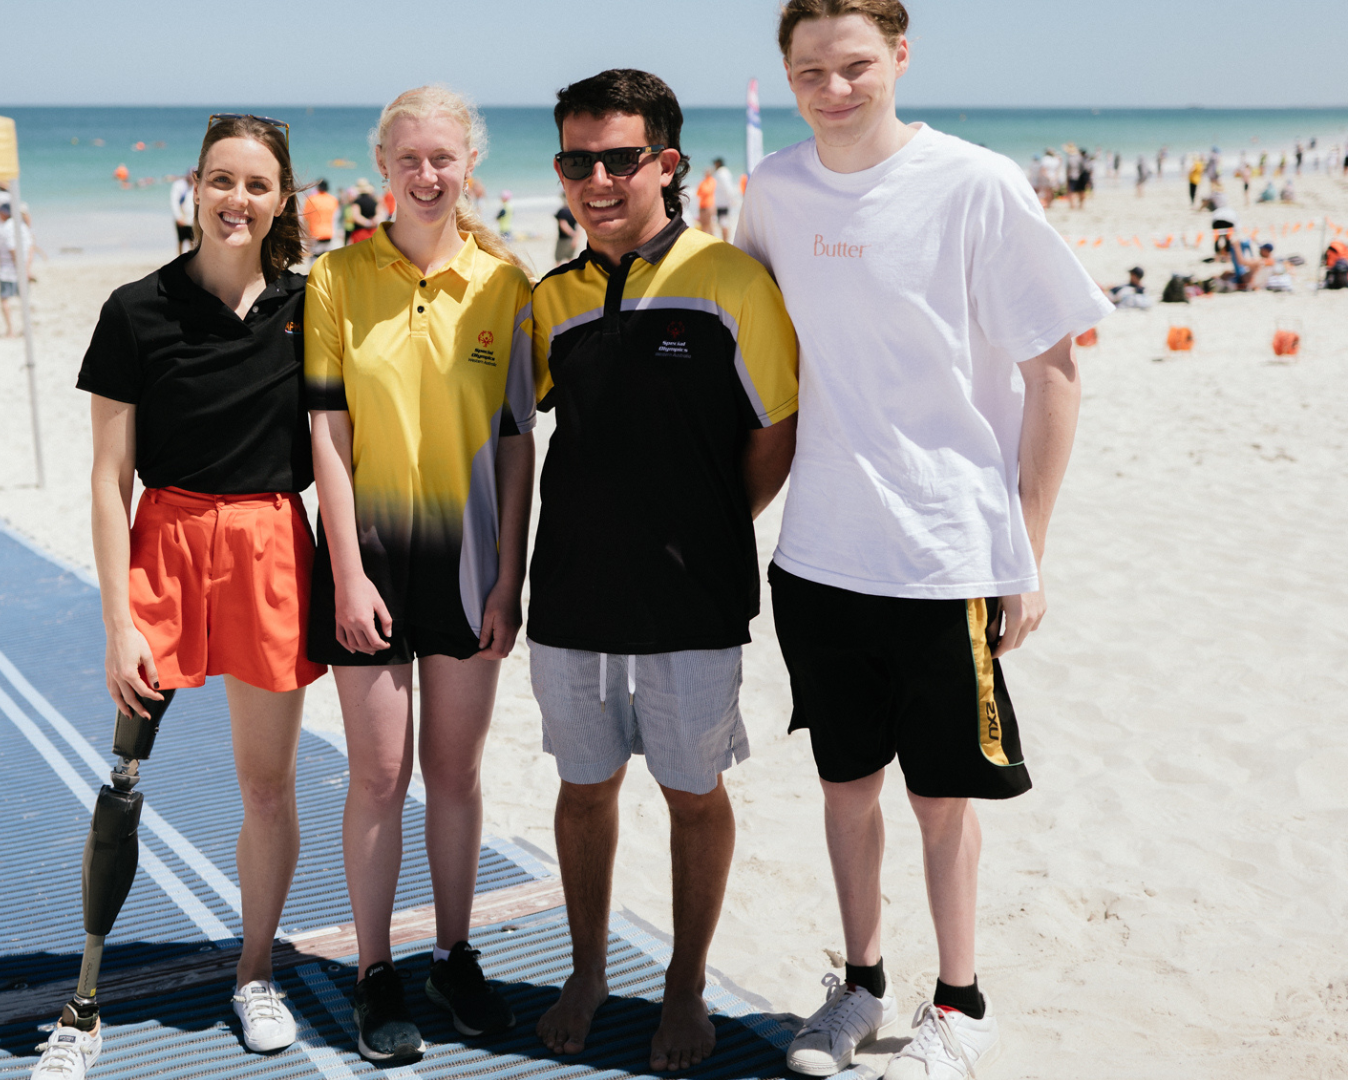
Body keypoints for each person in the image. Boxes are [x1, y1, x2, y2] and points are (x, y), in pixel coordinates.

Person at [738, 4, 1112, 1078]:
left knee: (938, 802)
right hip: (816, 557)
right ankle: (856, 987)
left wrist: (1023, 550)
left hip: (945, 553)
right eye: (809, 70)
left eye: (853, 65)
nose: (832, 88)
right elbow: (753, 362)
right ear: (786, 74)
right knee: (843, 789)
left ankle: (958, 1005)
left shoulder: (975, 183)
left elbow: (1053, 373)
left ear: (899, 57)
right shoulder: (772, 192)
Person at [35, 114, 326, 1078]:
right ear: (194, 187)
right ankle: (83, 1001)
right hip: (163, 547)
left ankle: (254, 974)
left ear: (281, 199)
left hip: (272, 549)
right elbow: (106, 478)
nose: (238, 200)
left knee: (266, 786)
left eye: (257, 184)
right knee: (123, 781)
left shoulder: (311, 307)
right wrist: (117, 622)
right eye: (223, 181)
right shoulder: (134, 310)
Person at [525, 68, 799, 1075]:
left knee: (692, 794)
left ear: (665, 164)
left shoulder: (728, 281)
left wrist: (710, 522)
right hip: (567, 596)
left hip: (691, 598)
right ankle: (589, 970)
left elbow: (776, 428)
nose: (596, 179)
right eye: (575, 160)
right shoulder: (547, 300)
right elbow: (513, 432)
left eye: (618, 158)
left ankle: (683, 986)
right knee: (583, 787)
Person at [304, 84, 534, 1065]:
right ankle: (373, 973)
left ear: (466, 164)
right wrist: (345, 572)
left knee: (453, 771)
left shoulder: (506, 283)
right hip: (368, 558)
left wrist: (507, 577)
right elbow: (325, 429)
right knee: (376, 774)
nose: (427, 174)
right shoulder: (336, 278)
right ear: (382, 169)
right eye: (409, 159)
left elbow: (520, 443)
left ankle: (451, 954)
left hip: (471, 561)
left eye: (444, 158)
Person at [0, 201, 38, 338]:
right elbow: (31, 248)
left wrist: (20, 269)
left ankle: (10, 330)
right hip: (23, 268)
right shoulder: (23, 227)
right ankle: (26, 328)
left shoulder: (6, 227)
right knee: (23, 300)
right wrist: (26, 268)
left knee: (5, 299)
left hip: (8, 270)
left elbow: (13, 249)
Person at [301, 178, 340, 257]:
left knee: (315, 258)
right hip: (329, 233)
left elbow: (306, 218)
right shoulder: (333, 200)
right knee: (326, 258)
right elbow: (336, 217)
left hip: (315, 233)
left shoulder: (311, 199)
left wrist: (306, 235)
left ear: (318, 187)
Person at [344, 177, 380, 244]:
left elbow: (356, 216)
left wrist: (367, 223)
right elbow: (379, 215)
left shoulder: (357, 202)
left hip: (359, 233)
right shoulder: (374, 202)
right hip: (373, 232)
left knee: (359, 253)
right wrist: (372, 222)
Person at [709, 156, 736, 239]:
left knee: (724, 223)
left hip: (723, 203)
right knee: (722, 223)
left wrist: (732, 199)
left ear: (718, 164)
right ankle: (725, 241)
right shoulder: (722, 172)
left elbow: (727, 187)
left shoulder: (722, 173)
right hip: (722, 202)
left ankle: (725, 241)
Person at [170, 173, 196, 254]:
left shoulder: (195, 188)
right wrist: (178, 217)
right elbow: (174, 202)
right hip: (182, 218)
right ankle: (180, 259)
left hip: (191, 220)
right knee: (181, 241)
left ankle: (191, 260)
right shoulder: (180, 186)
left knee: (192, 241)